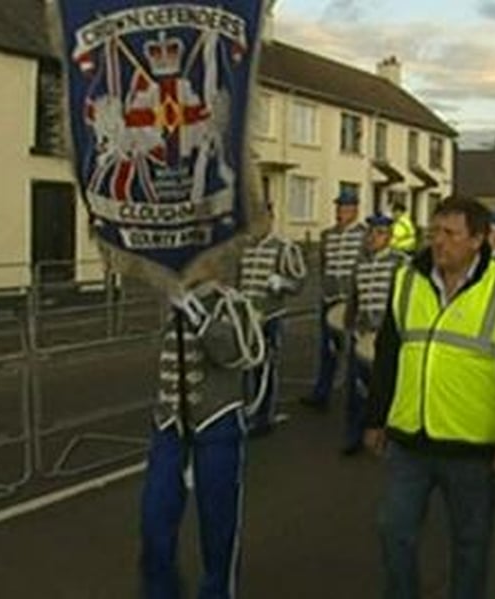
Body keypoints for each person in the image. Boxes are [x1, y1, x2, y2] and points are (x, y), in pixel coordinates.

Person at [364, 196, 495, 599]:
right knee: (394, 530)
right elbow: (387, 353)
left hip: (471, 447)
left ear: (477, 240)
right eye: (435, 232)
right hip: (409, 440)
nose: (439, 242)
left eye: (450, 234)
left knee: (470, 545)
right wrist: (375, 418)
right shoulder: (407, 281)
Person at [140, 282, 264, 599]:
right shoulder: (168, 301)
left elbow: (238, 353)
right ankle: (160, 592)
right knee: (154, 518)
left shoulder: (232, 303)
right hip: (169, 424)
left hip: (217, 421)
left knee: (218, 525)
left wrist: (197, 315)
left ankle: (217, 592)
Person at [237, 204, 307, 436]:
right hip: (244, 319)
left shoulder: (284, 248)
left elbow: (299, 283)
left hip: (269, 318)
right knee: (242, 367)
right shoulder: (242, 246)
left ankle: (264, 418)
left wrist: (282, 283)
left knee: (265, 369)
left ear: (271, 219)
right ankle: (243, 412)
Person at [340, 213, 407, 455]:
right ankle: (354, 435)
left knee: (387, 388)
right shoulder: (360, 263)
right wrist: (349, 323)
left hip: (388, 337)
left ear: (389, 237)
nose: (372, 238)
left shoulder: (400, 263)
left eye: (379, 233)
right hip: (362, 333)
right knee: (357, 388)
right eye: (370, 233)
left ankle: (389, 435)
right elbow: (354, 297)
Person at [300, 191, 367, 411]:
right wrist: (324, 290)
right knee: (328, 348)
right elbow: (324, 264)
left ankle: (355, 395)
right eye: (339, 208)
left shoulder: (364, 235)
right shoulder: (327, 235)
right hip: (330, 298)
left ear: (355, 210)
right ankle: (322, 394)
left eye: (345, 208)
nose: (340, 213)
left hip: (353, 301)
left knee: (357, 350)